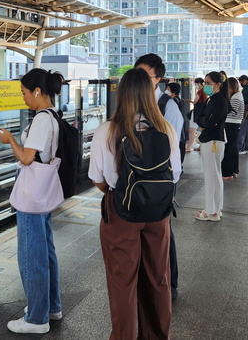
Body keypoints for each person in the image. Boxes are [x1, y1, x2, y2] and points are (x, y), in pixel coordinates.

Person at [88, 67, 181, 340]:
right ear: (151, 93)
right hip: (158, 214)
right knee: (158, 279)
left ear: (122, 93)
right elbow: (174, 174)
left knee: (122, 283)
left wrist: (117, 193)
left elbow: (97, 178)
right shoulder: (166, 128)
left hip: (121, 214)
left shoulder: (108, 130)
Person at [0, 69, 65, 334]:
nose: (23, 98)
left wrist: (9, 138)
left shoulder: (42, 120)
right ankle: (50, 307)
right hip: (43, 192)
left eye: (24, 93)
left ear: (37, 91)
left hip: (31, 196)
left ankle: (37, 318)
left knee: (31, 254)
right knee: (45, 252)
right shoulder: (52, 115)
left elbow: (26, 158)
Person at [134, 54, 182, 300]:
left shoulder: (167, 106)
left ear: (158, 79)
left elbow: (175, 151)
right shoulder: (130, 106)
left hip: (160, 183)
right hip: (134, 183)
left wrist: (168, 188)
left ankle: (169, 284)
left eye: (146, 76)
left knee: (163, 236)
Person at [193, 71, 229, 221]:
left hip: (213, 141)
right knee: (214, 175)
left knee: (211, 176)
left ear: (218, 85)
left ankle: (211, 211)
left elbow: (207, 121)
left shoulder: (219, 101)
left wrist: (201, 119)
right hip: (211, 140)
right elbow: (201, 117)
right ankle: (215, 209)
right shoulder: (212, 99)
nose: (205, 86)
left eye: (208, 83)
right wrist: (202, 118)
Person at [221, 77, 243, 180]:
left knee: (229, 149)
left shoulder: (236, 97)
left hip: (231, 124)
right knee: (233, 148)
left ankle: (227, 173)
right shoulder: (237, 95)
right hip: (234, 124)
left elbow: (231, 112)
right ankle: (234, 171)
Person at [166, 82, 188, 163]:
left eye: (168, 89)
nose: (166, 91)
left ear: (173, 91)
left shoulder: (173, 101)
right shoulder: (178, 99)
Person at [185, 77, 206, 153]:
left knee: (192, 130)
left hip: (197, 113)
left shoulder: (200, 91)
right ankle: (200, 146)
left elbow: (195, 101)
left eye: (196, 84)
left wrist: (189, 101)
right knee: (200, 129)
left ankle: (188, 147)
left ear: (199, 83)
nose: (196, 85)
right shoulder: (205, 91)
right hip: (202, 113)